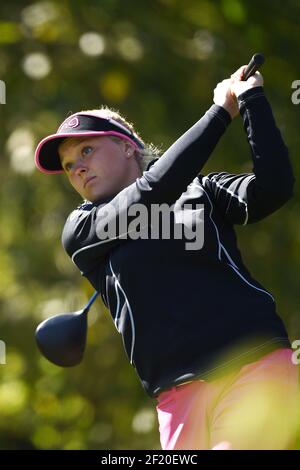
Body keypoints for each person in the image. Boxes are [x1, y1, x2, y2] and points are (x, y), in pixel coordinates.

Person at [34, 64, 299, 450]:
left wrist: (251, 101)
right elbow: (152, 192)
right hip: (176, 399)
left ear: (127, 146)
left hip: (254, 365)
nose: (78, 169)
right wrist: (218, 113)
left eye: (87, 150)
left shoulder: (201, 191)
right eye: (70, 166)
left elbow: (273, 188)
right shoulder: (83, 229)